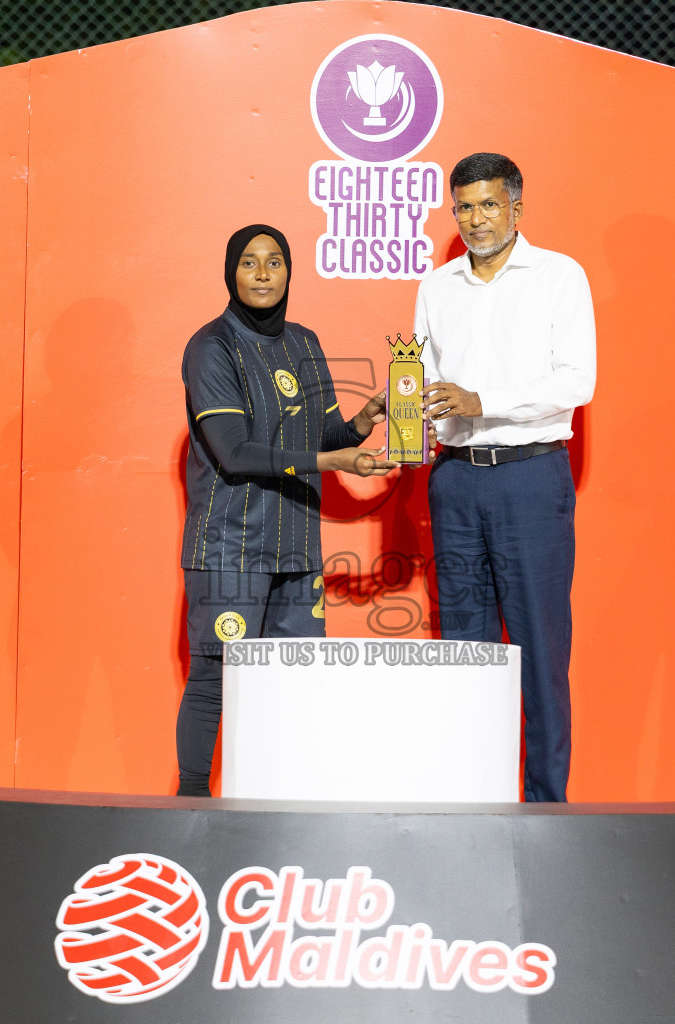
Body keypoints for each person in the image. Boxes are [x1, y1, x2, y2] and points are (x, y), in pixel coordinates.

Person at [176, 224, 396, 797]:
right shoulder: (211, 346)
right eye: (249, 263)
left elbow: (325, 434)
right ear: (231, 273)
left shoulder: (304, 342)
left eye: (275, 261)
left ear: (290, 272)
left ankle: (281, 808)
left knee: (296, 684)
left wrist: (364, 422)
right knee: (215, 679)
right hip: (230, 547)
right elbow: (235, 450)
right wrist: (334, 458)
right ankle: (189, 807)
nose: (264, 273)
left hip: (296, 549)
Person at [415, 153, 596, 802]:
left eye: (489, 204)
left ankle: (547, 810)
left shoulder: (558, 277)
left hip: (529, 477)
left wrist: (480, 399)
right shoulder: (435, 288)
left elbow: (577, 381)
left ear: (516, 207)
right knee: (462, 650)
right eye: (464, 206)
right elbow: (425, 390)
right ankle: (470, 803)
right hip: (455, 481)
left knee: (540, 651)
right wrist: (399, 421)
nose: (475, 218)